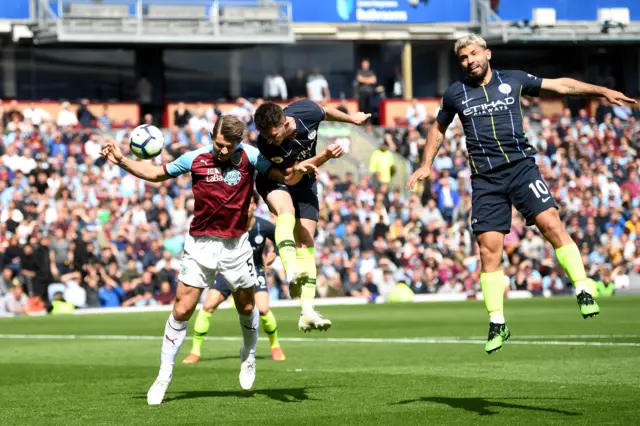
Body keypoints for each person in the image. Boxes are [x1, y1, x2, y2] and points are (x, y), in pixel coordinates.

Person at [407, 33, 636, 354]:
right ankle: (497, 322)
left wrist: (602, 92)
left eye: (473, 54)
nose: (469, 61)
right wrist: (425, 164)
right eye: (462, 58)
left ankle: (583, 288)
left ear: (486, 53)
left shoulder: (513, 80)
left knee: (551, 224)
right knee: (489, 250)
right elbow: (437, 128)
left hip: (521, 168)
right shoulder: (455, 93)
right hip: (485, 180)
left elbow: (562, 86)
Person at [101, 115, 316, 405]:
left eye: (229, 146)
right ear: (211, 136)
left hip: (236, 245)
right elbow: (156, 174)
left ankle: (249, 356)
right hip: (201, 244)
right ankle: (164, 375)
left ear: (239, 143)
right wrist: (122, 161)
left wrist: (298, 170)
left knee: (248, 306)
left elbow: (283, 177)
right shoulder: (195, 158)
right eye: (219, 144)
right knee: (181, 310)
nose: (223, 151)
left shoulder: (250, 156)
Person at [253, 100, 369, 331]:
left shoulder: (306, 110)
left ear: (285, 123)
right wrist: (324, 157)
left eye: (273, 134)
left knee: (306, 242)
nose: (268, 139)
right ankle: (290, 271)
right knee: (286, 211)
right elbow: (289, 177)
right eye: (265, 135)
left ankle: (307, 312)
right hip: (278, 179)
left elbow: (325, 112)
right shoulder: (267, 144)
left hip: (306, 181)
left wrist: (351, 118)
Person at [183, 193, 286, 364]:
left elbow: (279, 238)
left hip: (255, 271)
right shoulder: (228, 223)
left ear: (255, 206)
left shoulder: (264, 226)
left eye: (251, 203)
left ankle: (275, 346)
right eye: (244, 203)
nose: (248, 207)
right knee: (208, 306)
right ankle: (195, 351)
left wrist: (274, 252)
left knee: (263, 309)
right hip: (227, 270)